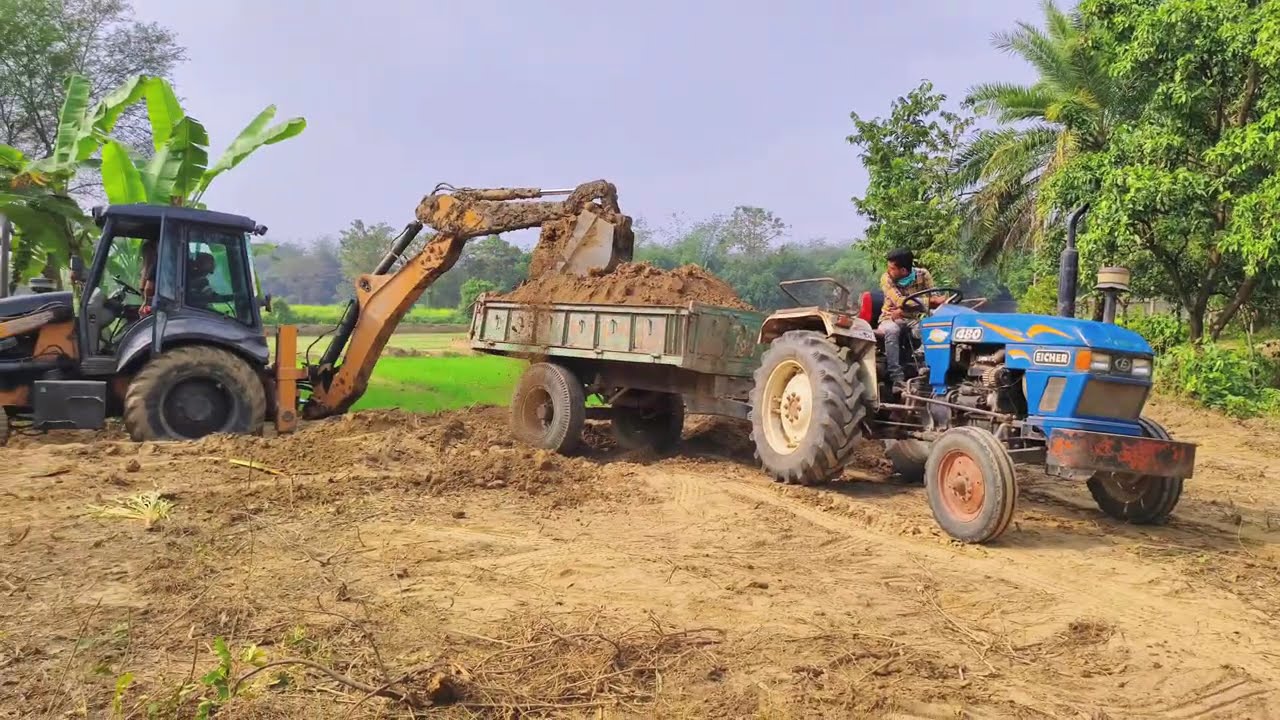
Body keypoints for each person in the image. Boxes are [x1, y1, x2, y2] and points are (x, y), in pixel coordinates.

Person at [877, 248, 945, 385]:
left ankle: (928, 369)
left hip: (914, 318)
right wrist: (927, 302)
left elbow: (936, 299)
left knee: (933, 326)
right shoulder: (887, 278)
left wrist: (909, 308)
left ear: (903, 270)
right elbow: (900, 301)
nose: (888, 270)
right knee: (892, 330)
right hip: (890, 317)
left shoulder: (923, 274)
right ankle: (896, 377)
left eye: (892, 268)